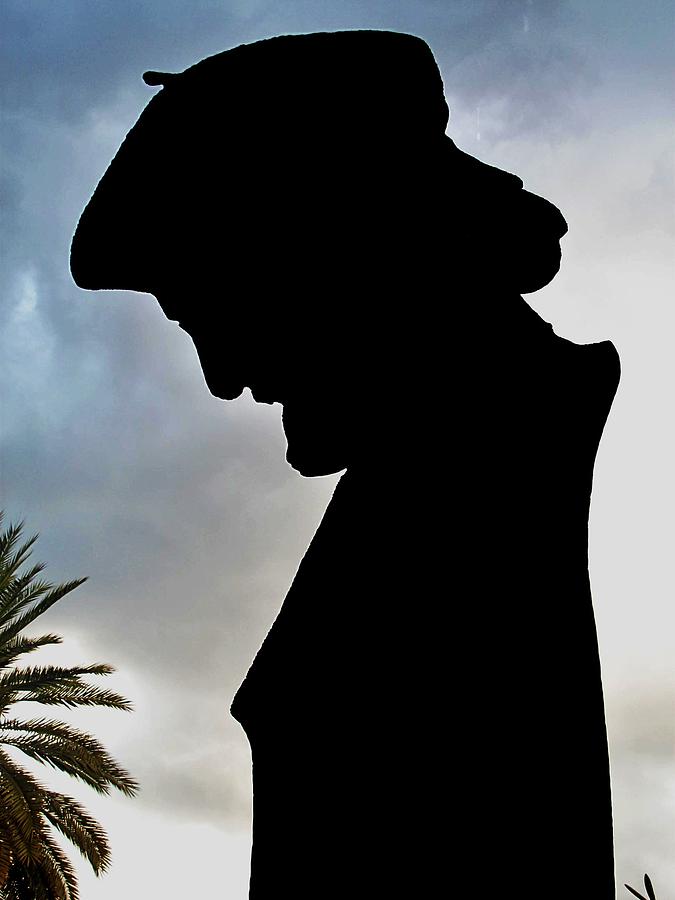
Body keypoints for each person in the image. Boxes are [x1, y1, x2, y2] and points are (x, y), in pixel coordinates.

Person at [71, 30, 619, 898]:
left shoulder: (468, 480)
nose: (221, 379)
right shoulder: (451, 467)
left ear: (327, 240)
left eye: (206, 308)